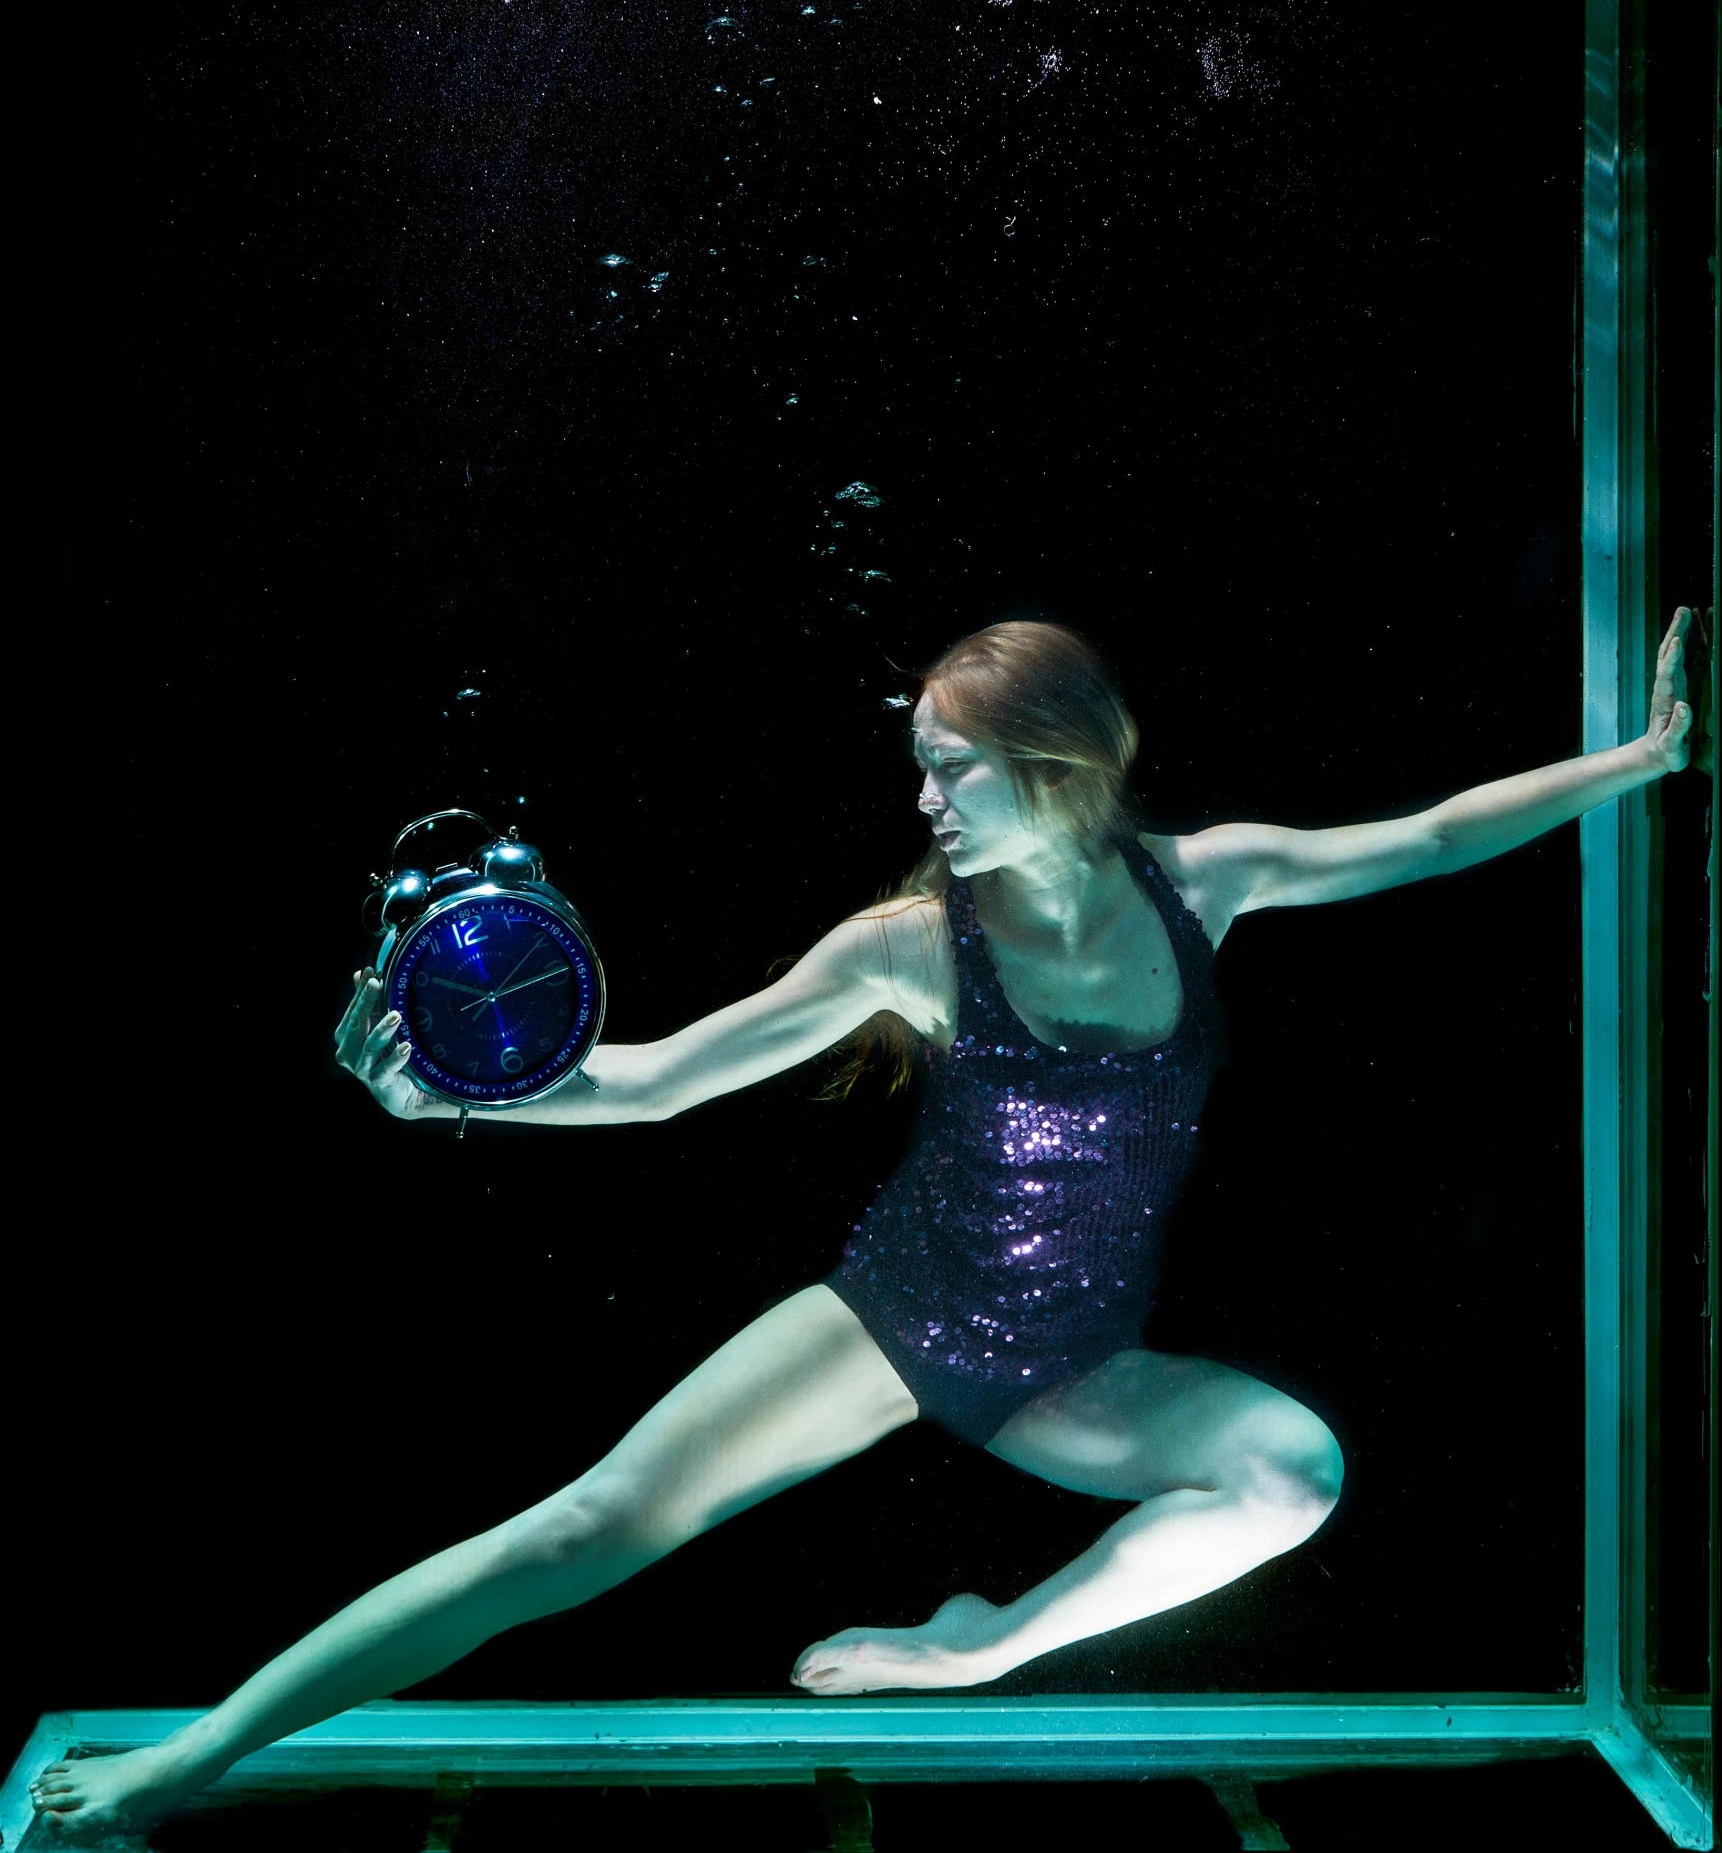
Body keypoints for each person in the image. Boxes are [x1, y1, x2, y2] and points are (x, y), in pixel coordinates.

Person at [31, 610, 1709, 1840]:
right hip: (902, 1317)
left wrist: (1639, 761)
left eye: (948, 768)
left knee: (1290, 1470)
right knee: (582, 1529)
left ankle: (978, 1651)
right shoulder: (905, 945)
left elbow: (1423, 836)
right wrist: (450, 1098)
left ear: (1053, 762)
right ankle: (194, 1758)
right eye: (918, 769)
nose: (923, 802)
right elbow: (658, 1085)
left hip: (1076, 1366)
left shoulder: (1207, 883)